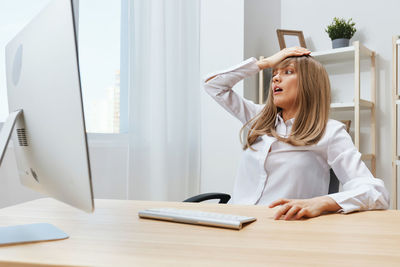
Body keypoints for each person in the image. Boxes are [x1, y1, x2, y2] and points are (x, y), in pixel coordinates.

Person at [203, 47, 389, 220]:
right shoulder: (259, 117)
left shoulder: (330, 132)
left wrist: (323, 202)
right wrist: (265, 63)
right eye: (274, 74)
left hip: (282, 227)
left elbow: (375, 193)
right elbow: (213, 85)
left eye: (288, 72)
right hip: (235, 221)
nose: (275, 78)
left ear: (310, 83)